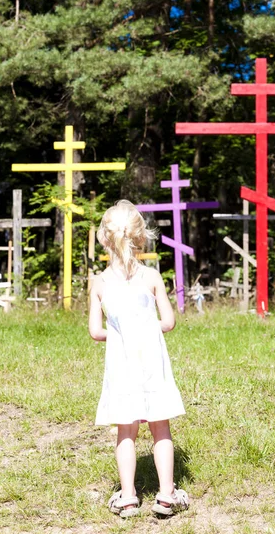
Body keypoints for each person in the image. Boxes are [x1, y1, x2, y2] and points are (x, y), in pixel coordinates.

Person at [89, 200, 189, 519]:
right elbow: (169, 323)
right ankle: (166, 495)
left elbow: (95, 331)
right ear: (141, 237)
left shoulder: (99, 283)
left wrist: (122, 333)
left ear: (105, 238)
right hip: (152, 363)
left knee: (126, 430)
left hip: (121, 365)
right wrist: (144, 329)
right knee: (161, 427)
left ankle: (129, 498)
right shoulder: (152, 277)